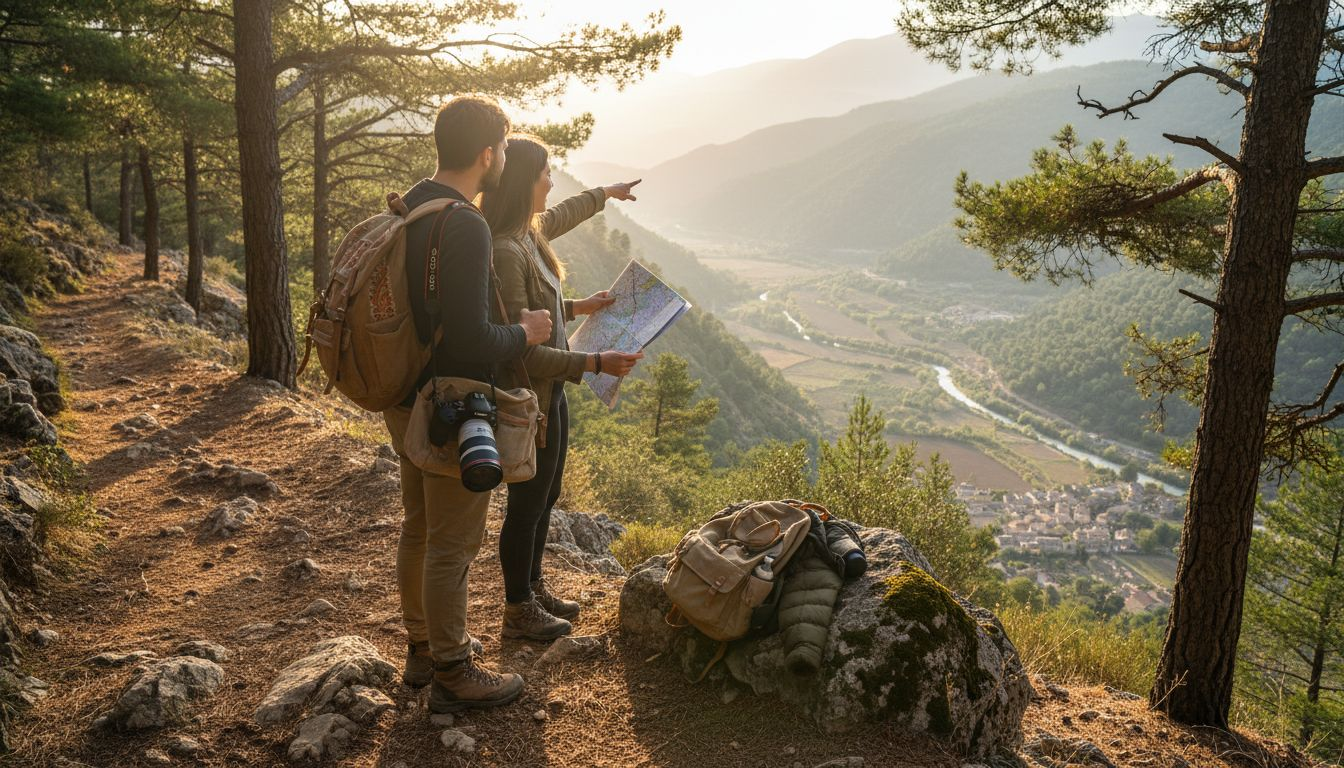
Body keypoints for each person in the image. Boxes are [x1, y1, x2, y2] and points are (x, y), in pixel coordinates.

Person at [384, 96, 553, 713]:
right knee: (452, 542)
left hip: (406, 396)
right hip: (453, 402)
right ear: (488, 153)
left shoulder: (414, 202)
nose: (506, 157)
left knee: (420, 528)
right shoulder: (468, 224)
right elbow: (471, 336)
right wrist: (528, 333)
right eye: (505, 148)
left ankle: (424, 649)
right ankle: (453, 671)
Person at [479, 134, 644, 640]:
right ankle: (517, 608)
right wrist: (595, 361)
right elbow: (521, 346)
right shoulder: (506, 249)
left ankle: (532, 585)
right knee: (526, 505)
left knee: (547, 496)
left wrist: (606, 193)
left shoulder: (530, 233)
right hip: (529, 395)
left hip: (553, 393)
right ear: (525, 182)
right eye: (546, 173)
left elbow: (567, 214)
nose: (552, 181)